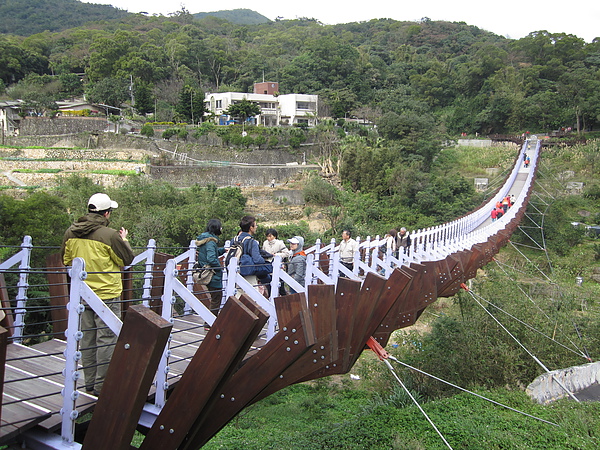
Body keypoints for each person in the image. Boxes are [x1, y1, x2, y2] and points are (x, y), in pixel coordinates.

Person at [61, 193, 134, 396]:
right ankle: (103, 386)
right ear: (106, 213)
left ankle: (90, 383)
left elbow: (67, 260)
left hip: (83, 294)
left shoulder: (70, 232)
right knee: (106, 338)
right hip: (107, 293)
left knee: (87, 337)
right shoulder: (109, 235)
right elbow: (126, 259)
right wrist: (124, 240)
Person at [196, 219, 226, 330]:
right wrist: (220, 268)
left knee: (215, 297)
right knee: (216, 298)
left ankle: (210, 321)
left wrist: (223, 250)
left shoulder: (205, 240)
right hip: (212, 274)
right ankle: (209, 323)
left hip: (205, 271)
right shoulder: (211, 242)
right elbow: (211, 258)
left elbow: (211, 252)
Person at [233, 216, 268, 297]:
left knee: (237, 297)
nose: (256, 227)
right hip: (248, 273)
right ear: (251, 228)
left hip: (236, 272)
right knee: (254, 298)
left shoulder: (234, 240)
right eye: (255, 225)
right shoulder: (252, 242)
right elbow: (257, 260)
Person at [263, 228, 290, 296]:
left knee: (281, 286)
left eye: (270, 236)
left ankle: (283, 300)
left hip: (278, 266)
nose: (268, 238)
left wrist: (277, 255)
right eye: (267, 236)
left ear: (274, 236)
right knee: (269, 286)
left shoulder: (280, 243)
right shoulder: (265, 243)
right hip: (268, 266)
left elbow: (287, 253)